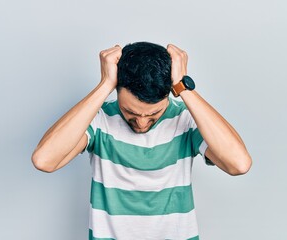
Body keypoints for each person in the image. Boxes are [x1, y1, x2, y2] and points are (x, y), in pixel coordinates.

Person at [31, 42, 252, 240]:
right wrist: (105, 84)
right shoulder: (99, 120)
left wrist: (183, 87)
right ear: (117, 92)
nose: (142, 123)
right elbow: (44, 160)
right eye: (131, 113)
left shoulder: (185, 119)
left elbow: (239, 164)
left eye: (153, 114)